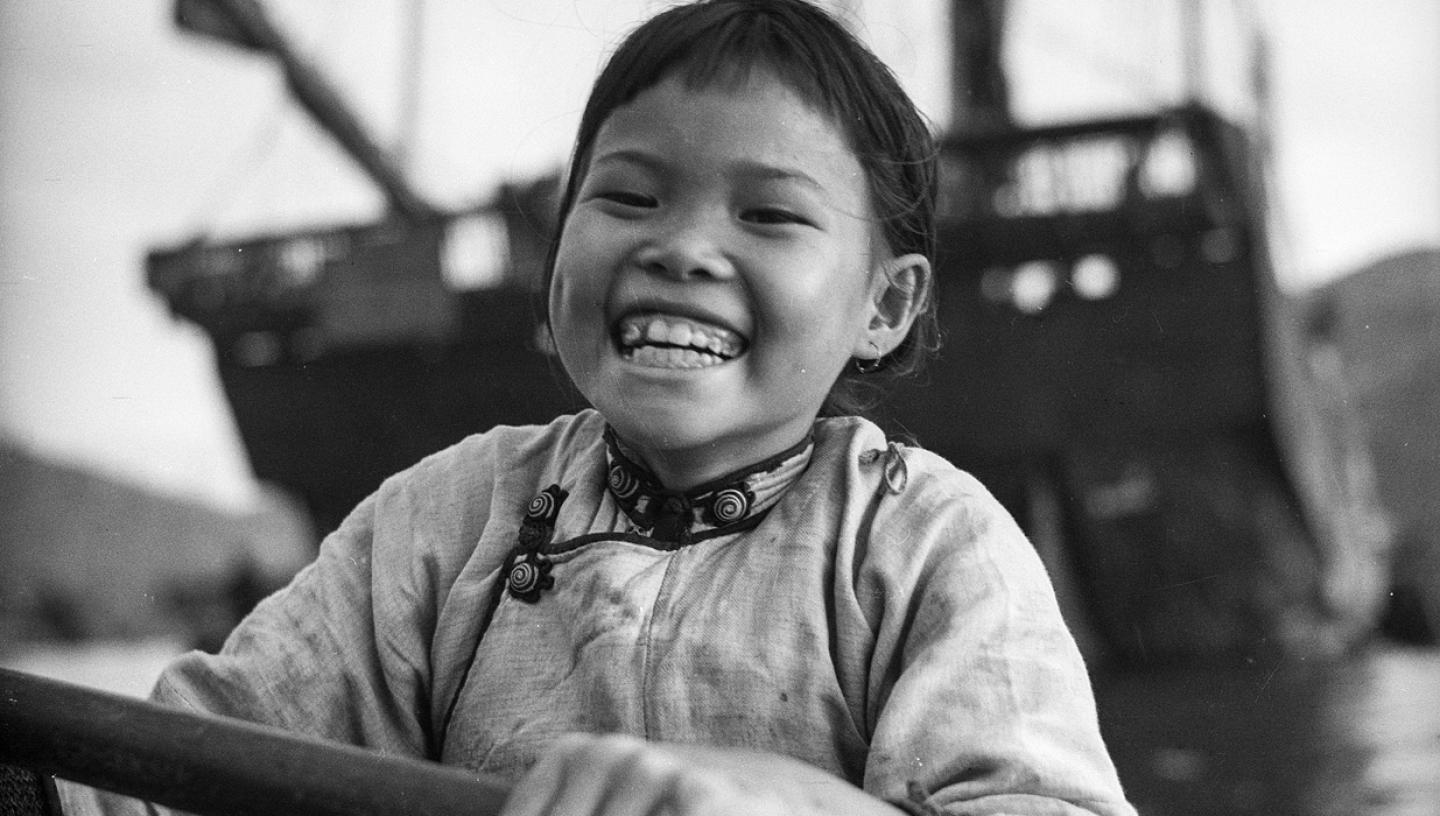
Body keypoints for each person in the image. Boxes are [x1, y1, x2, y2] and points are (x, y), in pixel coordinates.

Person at [71, 1, 1135, 813]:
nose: (678, 247)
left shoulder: (930, 547)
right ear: (559, 241)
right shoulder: (447, 518)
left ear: (885, 304)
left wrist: (780, 797)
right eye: (628, 196)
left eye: (768, 214)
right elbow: (182, 764)